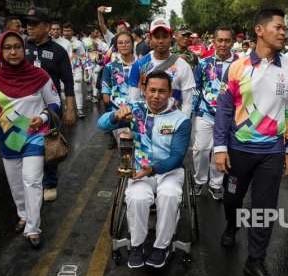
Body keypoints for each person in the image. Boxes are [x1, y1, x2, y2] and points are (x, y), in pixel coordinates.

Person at [214, 8, 288, 276]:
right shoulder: (238, 67)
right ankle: (231, 225)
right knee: (231, 198)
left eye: (284, 28)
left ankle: (255, 260)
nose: (283, 32)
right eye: (278, 27)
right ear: (259, 30)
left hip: (271, 153)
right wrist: (220, 148)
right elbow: (224, 110)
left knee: (264, 208)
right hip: (238, 150)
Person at [0, 31, 61, 248]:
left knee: (32, 180)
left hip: (34, 136)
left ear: (23, 49)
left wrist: (45, 116)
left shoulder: (39, 75)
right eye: (8, 47)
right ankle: (23, 214)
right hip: (9, 139)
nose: (13, 52)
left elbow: (55, 102)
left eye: (17, 47)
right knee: (16, 184)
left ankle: (33, 228)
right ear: (0, 51)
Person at [98, 70, 191, 269]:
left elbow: (177, 156)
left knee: (169, 195)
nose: (156, 96)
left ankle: (162, 246)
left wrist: (152, 170)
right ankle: (137, 245)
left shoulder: (180, 119)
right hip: (140, 169)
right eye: (152, 90)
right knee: (137, 198)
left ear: (170, 93)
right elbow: (102, 125)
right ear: (144, 90)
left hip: (168, 171)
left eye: (162, 91)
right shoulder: (134, 111)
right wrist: (115, 116)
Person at [25, 8, 76, 202]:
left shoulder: (58, 51)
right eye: (28, 23)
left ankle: (50, 183)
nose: (29, 27)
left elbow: (68, 82)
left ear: (46, 27)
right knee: (25, 142)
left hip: (51, 107)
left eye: (34, 23)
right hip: (25, 105)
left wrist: (70, 108)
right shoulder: (23, 46)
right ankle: (31, 180)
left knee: (50, 144)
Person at [193, 26, 239, 200]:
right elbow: (197, 88)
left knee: (220, 150)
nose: (223, 44)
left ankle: (216, 184)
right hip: (205, 113)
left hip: (228, 116)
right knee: (201, 149)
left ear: (232, 42)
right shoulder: (204, 64)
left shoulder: (239, 64)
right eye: (220, 40)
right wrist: (192, 111)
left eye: (227, 40)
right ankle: (199, 180)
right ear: (213, 41)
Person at [128, 19, 196, 118]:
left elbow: (188, 102)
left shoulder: (183, 66)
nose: (160, 41)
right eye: (156, 37)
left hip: (173, 123)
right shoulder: (138, 65)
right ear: (150, 38)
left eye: (164, 37)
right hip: (146, 122)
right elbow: (133, 99)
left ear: (171, 38)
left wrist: (182, 125)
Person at [101, 31, 136, 146]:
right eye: (120, 43)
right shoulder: (109, 67)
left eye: (127, 42)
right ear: (116, 46)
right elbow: (105, 96)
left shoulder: (142, 65)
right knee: (126, 154)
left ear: (132, 44)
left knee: (143, 153)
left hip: (140, 115)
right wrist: (116, 114)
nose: (124, 45)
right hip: (119, 116)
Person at [62, 22, 88, 118]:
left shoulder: (78, 43)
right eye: (65, 30)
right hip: (63, 70)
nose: (67, 33)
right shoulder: (59, 42)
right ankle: (67, 109)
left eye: (69, 30)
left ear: (72, 31)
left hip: (76, 68)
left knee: (77, 89)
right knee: (63, 90)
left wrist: (86, 69)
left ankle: (80, 109)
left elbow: (84, 57)